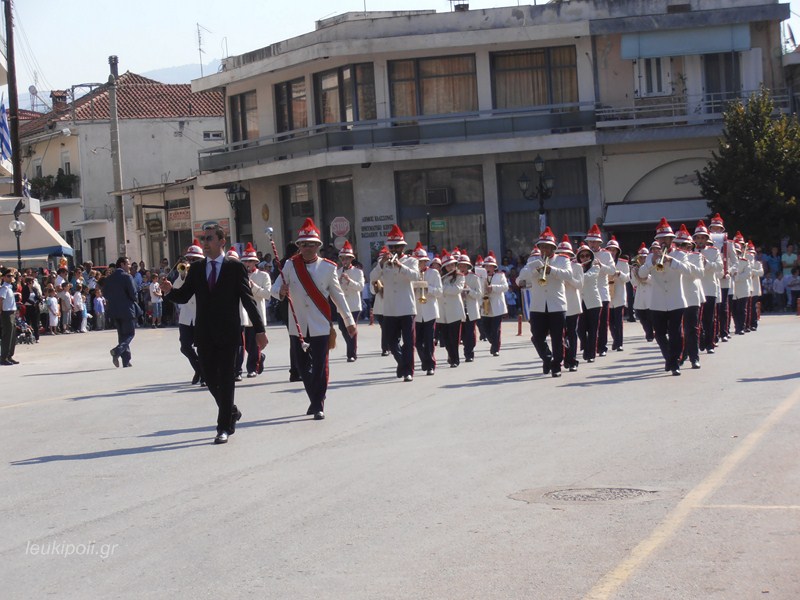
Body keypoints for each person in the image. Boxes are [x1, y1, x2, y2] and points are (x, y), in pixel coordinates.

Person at [162, 224, 267, 444]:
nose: (205, 242)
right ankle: (232, 411)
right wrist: (169, 291)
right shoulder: (198, 269)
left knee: (227, 379)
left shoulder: (234, 267)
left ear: (222, 241)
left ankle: (223, 427)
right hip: (205, 332)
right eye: (203, 239)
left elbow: (248, 300)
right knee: (209, 378)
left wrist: (259, 330)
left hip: (229, 332)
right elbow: (184, 296)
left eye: (209, 238)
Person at [270, 218, 356, 419]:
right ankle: (315, 399)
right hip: (298, 324)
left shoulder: (328, 267)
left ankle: (318, 404)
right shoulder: (291, 265)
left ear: (318, 246)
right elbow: (273, 289)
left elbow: (338, 296)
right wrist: (280, 292)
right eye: (302, 244)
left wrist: (349, 321)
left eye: (310, 244)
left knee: (320, 366)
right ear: (298, 246)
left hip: (320, 324)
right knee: (301, 366)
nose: (306, 248)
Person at [518, 227, 571, 377]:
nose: (545, 250)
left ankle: (556, 366)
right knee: (537, 336)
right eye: (542, 247)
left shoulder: (562, 260)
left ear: (553, 248)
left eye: (548, 247)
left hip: (557, 305)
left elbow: (568, 275)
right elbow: (523, 276)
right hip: (538, 306)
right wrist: (536, 270)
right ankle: (547, 357)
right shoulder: (532, 260)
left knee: (557, 337)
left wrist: (551, 270)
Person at [641, 219, 691, 376]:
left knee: (676, 333)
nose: (663, 242)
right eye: (660, 239)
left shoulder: (680, 255)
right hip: (657, 301)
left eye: (666, 239)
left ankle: (674, 362)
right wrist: (651, 263)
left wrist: (672, 261)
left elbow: (689, 271)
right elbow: (642, 274)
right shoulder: (651, 257)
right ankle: (669, 358)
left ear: (671, 240)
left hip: (676, 299)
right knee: (660, 333)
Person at [378, 225, 419, 382]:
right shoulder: (384, 262)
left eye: (397, 247)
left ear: (403, 247)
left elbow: (415, 276)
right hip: (389, 309)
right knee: (391, 342)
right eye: (392, 247)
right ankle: (403, 363)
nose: (394, 249)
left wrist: (400, 266)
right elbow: (373, 276)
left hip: (407, 307)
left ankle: (408, 371)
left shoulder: (411, 261)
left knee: (409, 342)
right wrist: (381, 264)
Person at [172, 240, 205, 385]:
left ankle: (204, 374)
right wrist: (183, 276)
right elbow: (176, 289)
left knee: (203, 348)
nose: (191, 262)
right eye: (190, 259)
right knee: (185, 346)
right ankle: (200, 370)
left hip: (200, 314)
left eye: (195, 259)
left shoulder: (204, 272)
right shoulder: (183, 273)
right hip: (186, 316)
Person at [584, 224, 615, 357]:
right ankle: (589, 346)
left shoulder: (606, 254)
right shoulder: (583, 252)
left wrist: (601, 265)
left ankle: (601, 347)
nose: (592, 244)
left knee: (602, 322)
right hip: (587, 293)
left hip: (602, 292)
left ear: (599, 242)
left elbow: (612, 270)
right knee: (586, 324)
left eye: (594, 242)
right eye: (590, 241)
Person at [241, 242, 271, 378]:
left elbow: (268, 294)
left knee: (255, 343)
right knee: (245, 343)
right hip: (243, 314)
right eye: (245, 261)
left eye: (250, 261)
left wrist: (254, 287)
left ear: (255, 262)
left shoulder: (263, 276)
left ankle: (251, 367)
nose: (247, 263)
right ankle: (260, 356)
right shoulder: (240, 275)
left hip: (257, 313)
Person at [103, 257, 139, 369]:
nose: (129, 266)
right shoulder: (126, 277)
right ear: (122, 264)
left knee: (122, 335)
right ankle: (117, 350)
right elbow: (133, 294)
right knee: (129, 334)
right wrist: (134, 299)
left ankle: (126, 360)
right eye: (128, 264)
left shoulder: (109, 278)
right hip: (127, 309)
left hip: (114, 310)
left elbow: (105, 294)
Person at [412, 242, 441, 375]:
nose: (419, 265)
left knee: (429, 340)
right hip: (416, 312)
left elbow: (439, 292)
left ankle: (430, 365)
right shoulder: (411, 275)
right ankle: (425, 361)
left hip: (429, 311)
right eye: (417, 262)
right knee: (417, 342)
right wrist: (414, 288)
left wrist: (426, 288)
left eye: (421, 262)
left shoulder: (433, 273)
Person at [336, 241, 364, 362]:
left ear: (351, 259)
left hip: (353, 305)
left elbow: (360, 287)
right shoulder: (337, 272)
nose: (345, 261)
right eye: (343, 259)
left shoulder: (358, 272)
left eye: (347, 259)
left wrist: (349, 281)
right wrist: (338, 280)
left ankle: (351, 354)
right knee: (343, 328)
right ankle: (351, 347)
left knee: (351, 328)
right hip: (341, 305)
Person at [437, 250, 465, 368]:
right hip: (442, 312)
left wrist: (442, 287)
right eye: (448, 265)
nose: (450, 267)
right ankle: (450, 354)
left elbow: (456, 290)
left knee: (454, 337)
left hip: (454, 311)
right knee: (445, 338)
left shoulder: (460, 276)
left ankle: (455, 359)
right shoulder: (439, 277)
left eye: (452, 265)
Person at [576, 244, 602, 363]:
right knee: (580, 329)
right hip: (580, 302)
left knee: (592, 330)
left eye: (587, 255)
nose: (585, 258)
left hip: (593, 302)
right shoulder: (576, 267)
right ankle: (586, 348)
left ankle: (591, 353)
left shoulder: (595, 266)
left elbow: (586, 278)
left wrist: (577, 270)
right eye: (582, 256)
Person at [480, 251, 508, 357]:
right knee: (486, 329)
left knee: (496, 329)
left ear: (494, 267)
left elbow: (505, 287)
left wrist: (493, 287)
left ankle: (495, 348)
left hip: (497, 305)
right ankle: (493, 342)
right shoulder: (480, 277)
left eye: (490, 266)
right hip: (485, 304)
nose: (488, 268)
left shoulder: (500, 275)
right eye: (486, 266)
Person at [605, 236, 630, 352]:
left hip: (619, 294)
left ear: (617, 251)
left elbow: (627, 278)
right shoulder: (604, 262)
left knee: (618, 321)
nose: (611, 252)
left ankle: (619, 343)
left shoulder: (623, 263)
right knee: (610, 322)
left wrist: (619, 273)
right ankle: (615, 339)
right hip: (608, 294)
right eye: (609, 249)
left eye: (613, 250)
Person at [458, 252, 482, 363]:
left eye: (464, 265)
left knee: (470, 333)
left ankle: (469, 353)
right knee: (461, 333)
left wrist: (469, 290)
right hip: (459, 308)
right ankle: (463, 350)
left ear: (468, 266)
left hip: (471, 308)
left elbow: (479, 294)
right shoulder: (455, 277)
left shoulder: (474, 277)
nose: (462, 268)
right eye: (460, 265)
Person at [631, 243, 653, 342]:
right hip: (640, 296)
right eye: (641, 258)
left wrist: (645, 278)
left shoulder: (653, 266)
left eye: (645, 257)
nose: (643, 260)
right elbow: (634, 283)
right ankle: (648, 332)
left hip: (651, 294)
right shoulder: (636, 268)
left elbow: (655, 280)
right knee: (641, 315)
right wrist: (635, 274)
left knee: (651, 316)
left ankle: (650, 333)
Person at [1, 268, 19, 365]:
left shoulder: (10, 287)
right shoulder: (4, 288)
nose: (11, 277)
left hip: (12, 312)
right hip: (6, 313)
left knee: (13, 336)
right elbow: (1, 301)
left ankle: (9, 356)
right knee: (7, 336)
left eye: (12, 276)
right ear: (3, 277)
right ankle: (3, 357)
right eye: (8, 276)